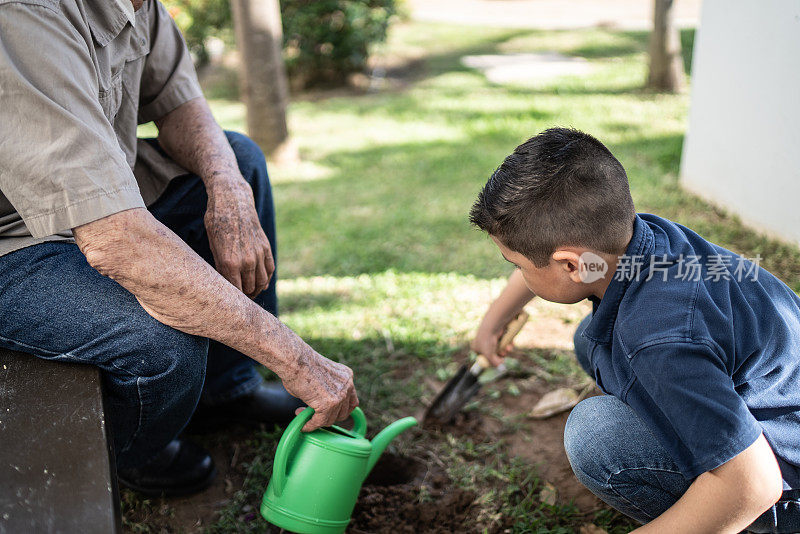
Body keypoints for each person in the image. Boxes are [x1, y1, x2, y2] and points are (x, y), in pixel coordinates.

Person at [0, 0, 358, 496]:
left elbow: (178, 105)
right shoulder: (23, 15)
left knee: (239, 160)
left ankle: (226, 390)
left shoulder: (138, 4)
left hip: (95, 205)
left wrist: (227, 185)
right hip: (14, 240)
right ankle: (131, 454)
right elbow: (117, 239)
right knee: (165, 346)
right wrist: (297, 360)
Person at [469, 128, 800, 533]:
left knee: (597, 437)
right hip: (780, 403)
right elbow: (555, 256)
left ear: (572, 266)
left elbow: (752, 486)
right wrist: (494, 320)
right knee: (589, 338)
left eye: (516, 264)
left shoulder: (660, 340)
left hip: (783, 485)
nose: (518, 272)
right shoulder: (644, 240)